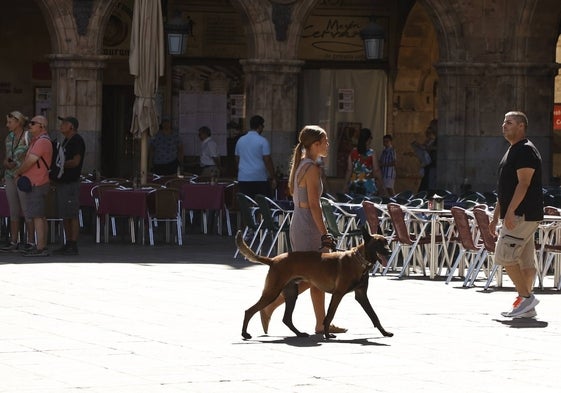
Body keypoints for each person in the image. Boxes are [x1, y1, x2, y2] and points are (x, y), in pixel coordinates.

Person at [260, 125, 346, 335]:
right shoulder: (312, 168)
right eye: (325, 141)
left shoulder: (301, 165)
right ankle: (270, 306)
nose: (328, 144)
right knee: (314, 276)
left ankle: (321, 324)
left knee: (314, 276)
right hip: (308, 224)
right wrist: (325, 234)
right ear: (315, 145)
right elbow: (315, 206)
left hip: (300, 221)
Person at [489, 111, 543, 318]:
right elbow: (506, 189)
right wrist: (496, 217)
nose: (504, 125)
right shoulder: (512, 150)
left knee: (504, 256)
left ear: (521, 126)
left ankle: (527, 298)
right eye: (503, 121)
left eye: (509, 122)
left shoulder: (525, 151)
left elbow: (524, 183)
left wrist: (510, 212)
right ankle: (526, 306)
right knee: (525, 262)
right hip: (520, 215)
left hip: (523, 214)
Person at [13, 115, 53, 257]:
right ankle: (42, 245)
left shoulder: (42, 142)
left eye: (33, 123)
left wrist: (17, 173)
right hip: (39, 182)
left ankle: (41, 247)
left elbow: (30, 161)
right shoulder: (37, 141)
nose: (30, 125)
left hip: (37, 183)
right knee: (40, 216)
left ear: (42, 126)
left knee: (37, 216)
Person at [1, 111, 35, 252]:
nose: (7, 125)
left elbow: (32, 156)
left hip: (23, 176)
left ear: (18, 122)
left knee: (27, 209)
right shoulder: (9, 137)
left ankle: (31, 241)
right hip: (10, 175)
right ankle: (14, 241)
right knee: (13, 210)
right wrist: (6, 163)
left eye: (10, 122)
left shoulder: (28, 136)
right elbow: (7, 156)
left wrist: (20, 167)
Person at [51, 116, 85, 256]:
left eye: (64, 123)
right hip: (63, 182)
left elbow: (76, 161)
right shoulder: (66, 141)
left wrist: (60, 165)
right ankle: (68, 242)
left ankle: (73, 243)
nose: (61, 125)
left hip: (71, 182)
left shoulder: (77, 140)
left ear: (71, 126)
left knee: (72, 213)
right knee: (65, 214)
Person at [235, 115, 276, 197]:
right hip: (259, 177)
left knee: (246, 205)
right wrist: (273, 177)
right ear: (260, 126)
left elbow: (237, 159)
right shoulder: (263, 141)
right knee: (261, 204)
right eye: (263, 126)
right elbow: (267, 160)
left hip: (243, 177)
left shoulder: (240, 140)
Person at [344, 128, 386, 197]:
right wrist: (382, 185)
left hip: (354, 185)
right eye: (371, 138)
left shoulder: (352, 152)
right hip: (368, 185)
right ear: (368, 140)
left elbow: (349, 170)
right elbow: (376, 170)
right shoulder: (371, 153)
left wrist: (345, 185)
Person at [412, 119, 437, 192]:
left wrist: (426, 148)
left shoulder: (435, 140)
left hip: (433, 165)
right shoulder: (429, 141)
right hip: (429, 165)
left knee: (429, 185)